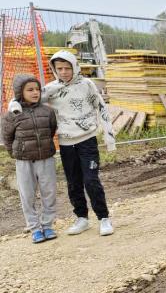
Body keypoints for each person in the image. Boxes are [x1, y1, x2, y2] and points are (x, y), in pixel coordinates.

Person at [10, 50, 117, 236]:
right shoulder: (51, 88)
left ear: (74, 66)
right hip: (66, 144)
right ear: (54, 69)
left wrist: (110, 138)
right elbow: (25, 98)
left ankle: (103, 218)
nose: (64, 72)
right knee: (73, 182)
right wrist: (14, 106)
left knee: (91, 180)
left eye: (67, 68)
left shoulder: (87, 84)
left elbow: (101, 108)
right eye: (59, 69)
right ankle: (82, 218)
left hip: (87, 140)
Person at [2, 74, 59, 243]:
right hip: (24, 161)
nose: (35, 92)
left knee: (49, 193)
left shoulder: (48, 111)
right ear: (20, 92)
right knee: (27, 195)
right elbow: (7, 138)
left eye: (37, 89)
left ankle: (47, 225)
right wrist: (16, 153)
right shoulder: (12, 115)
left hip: (46, 159)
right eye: (30, 90)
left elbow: (51, 130)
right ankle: (34, 228)